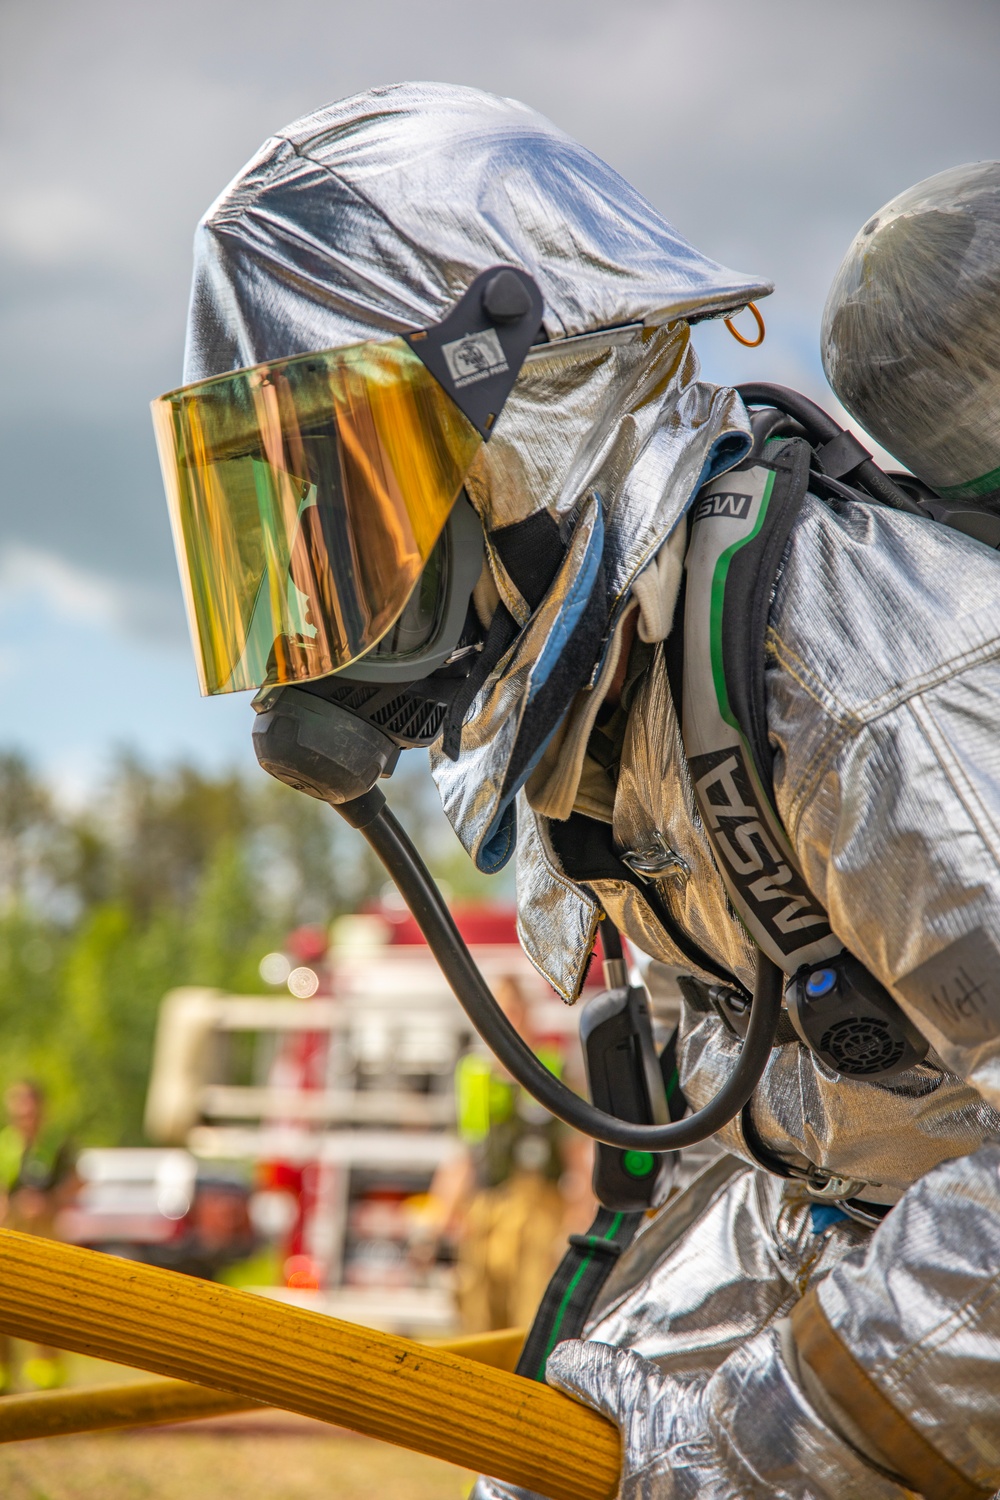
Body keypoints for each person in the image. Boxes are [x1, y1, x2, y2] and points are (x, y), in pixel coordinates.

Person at [154, 84, 1000, 1498]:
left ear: (537, 404)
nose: (327, 580)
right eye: (291, 520)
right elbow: (800, 1181)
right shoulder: (629, 726)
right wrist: (601, 1444)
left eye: (351, 491)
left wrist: (754, 1457)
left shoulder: (858, 673)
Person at [430, 976, 587, 1333]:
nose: (508, 1020)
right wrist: (440, 1219)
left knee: (530, 1314)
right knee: (479, 1311)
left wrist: (579, 1216)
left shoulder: (552, 1068)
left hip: (539, 1213)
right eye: (499, 1012)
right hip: (486, 1210)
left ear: (528, 1015)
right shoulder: (474, 1076)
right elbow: (465, 1154)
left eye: (514, 1011)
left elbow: (577, 1152)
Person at [0, 1080, 76, 1391]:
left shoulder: (56, 1144)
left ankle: (47, 1381)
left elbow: (77, 1182)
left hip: (46, 1235)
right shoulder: (5, 1143)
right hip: (9, 1232)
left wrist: (50, 1202)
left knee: (46, 1308)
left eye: (29, 1105)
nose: (24, 1113)